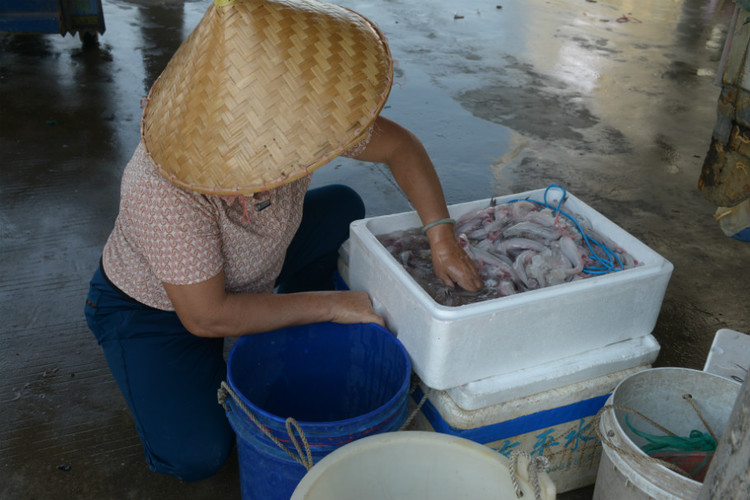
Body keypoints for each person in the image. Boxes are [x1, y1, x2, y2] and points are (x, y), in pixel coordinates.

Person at [84, 0, 482, 482]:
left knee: (340, 207)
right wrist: (331, 306)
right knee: (199, 455)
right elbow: (206, 315)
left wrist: (442, 236)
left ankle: (275, 314)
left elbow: (400, 146)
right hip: (155, 310)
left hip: (254, 262)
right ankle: (203, 361)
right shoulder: (159, 186)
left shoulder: (299, 117)